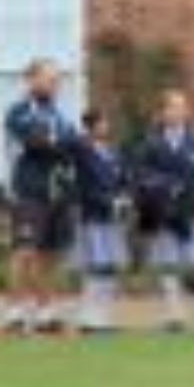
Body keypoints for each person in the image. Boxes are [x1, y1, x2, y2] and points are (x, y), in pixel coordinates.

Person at [134, 89, 194, 332]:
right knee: (168, 264)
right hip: (163, 213)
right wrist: (165, 186)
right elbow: (141, 176)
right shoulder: (150, 143)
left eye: (183, 107)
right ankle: (174, 317)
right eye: (174, 107)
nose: (179, 111)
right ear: (163, 112)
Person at [2, 58, 80, 334]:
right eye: (49, 79)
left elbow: (74, 145)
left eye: (57, 80)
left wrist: (62, 144)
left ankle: (46, 316)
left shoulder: (58, 115)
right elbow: (36, 143)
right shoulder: (19, 111)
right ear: (31, 80)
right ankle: (13, 315)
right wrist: (61, 144)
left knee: (50, 255)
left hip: (58, 193)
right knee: (24, 252)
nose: (54, 84)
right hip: (29, 190)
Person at [71, 108, 131, 333]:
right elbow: (85, 187)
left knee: (110, 268)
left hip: (113, 218)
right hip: (93, 217)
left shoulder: (112, 151)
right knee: (95, 268)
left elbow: (124, 177)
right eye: (102, 123)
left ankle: (104, 319)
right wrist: (108, 201)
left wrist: (125, 197)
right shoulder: (82, 151)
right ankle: (88, 320)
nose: (106, 127)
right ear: (91, 126)